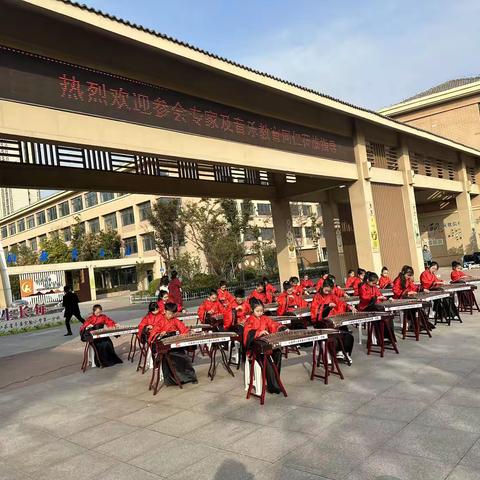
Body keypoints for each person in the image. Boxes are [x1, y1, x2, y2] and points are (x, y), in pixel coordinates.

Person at [148, 302, 197, 386]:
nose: (171, 315)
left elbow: (183, 328)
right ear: (165, 311)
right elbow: (154, 333)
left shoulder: (175, 320)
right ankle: (173, 380)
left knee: (184, 358)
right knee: (171, 359)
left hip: (175, 343)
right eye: (169, 313)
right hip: (165, 345)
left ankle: (190, 377)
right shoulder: (160, 321)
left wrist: (188, 332)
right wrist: (160, 334)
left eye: (173, 314)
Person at [243, 300, 284, 394]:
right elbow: (247, 335)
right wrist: (258, 333)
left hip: (265, 344)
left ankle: (275, 380)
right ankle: (273, 386)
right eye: (257, 311)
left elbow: (273, 325)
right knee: (267, 358)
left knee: (277, 352)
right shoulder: (249, 320)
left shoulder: (265, 318)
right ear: (252, 310)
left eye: (261, 311)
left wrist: (281, 327)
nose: (260, 313)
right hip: (255, 348)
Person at [309, 278, 354, 360]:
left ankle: (344, 352)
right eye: (326, 290)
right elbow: (315, 311)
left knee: (347, 334)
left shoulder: (331, 295)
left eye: (329, 290)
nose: (328, 292)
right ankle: (336, 352)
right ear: (322, 286)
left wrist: (349, 306)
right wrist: (327, 306)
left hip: (332, 321)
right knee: (334, 335)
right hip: (322, 322)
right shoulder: (317, 297)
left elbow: (340, 302)